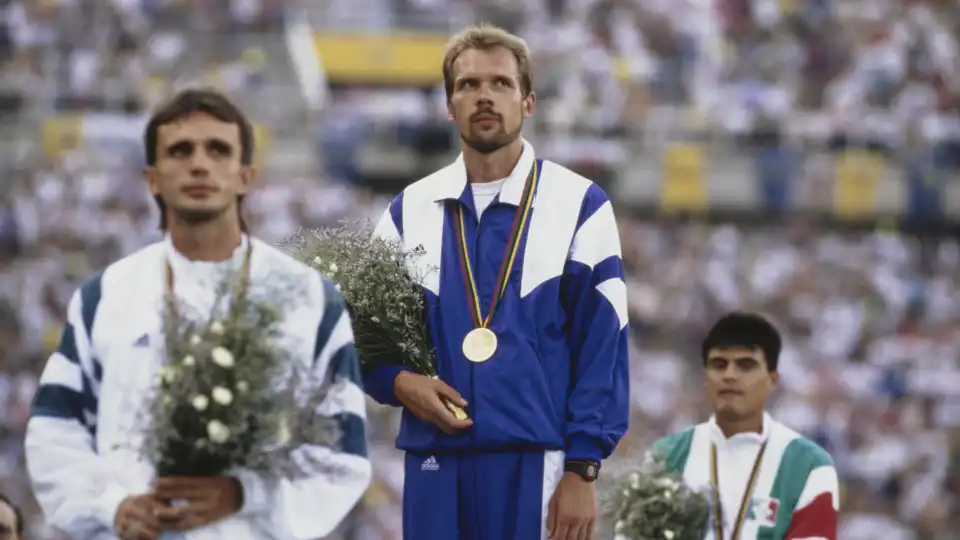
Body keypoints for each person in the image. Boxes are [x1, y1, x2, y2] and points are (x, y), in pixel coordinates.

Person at [23, 89, 371, 540]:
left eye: (218, 150)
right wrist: (111, 507)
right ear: (152, 178)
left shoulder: (307, 297)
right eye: (180, 151)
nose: (199, 164)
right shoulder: (107, 293)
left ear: (246, 176)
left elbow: (342, 452)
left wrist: (246, 493)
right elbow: (55, 430)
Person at [366, 24, 630, 540]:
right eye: (467, 85)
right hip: (434, 459)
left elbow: (603, 347)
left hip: (538, 461)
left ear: (527, 102)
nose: (483, 96)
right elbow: (363, 339)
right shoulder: (408, 210)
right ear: (449, 105)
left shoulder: (580, 204)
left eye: (500, 84)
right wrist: (399, 383)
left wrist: (583, 468)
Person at [650, 313, 839, 540]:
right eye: (719, 365)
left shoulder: (810, 465)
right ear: (705, 377)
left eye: (745, 365)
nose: (729, 375)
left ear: (772, 380)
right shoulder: (666, 455)